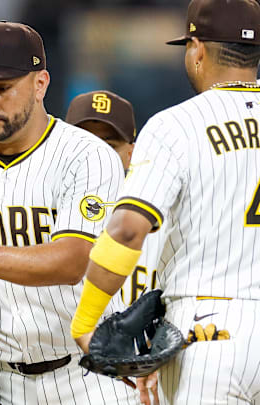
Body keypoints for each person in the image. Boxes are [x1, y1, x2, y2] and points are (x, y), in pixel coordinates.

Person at [0, 22, 138, 404]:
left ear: (40, 84)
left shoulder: (88, 156)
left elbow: (74, 260)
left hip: (83, 377)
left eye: (2, 89)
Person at [71, 0, 260, 403]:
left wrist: (87, 320)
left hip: (212, 332)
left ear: (198, 49)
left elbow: (126, 229)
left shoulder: (176, 124)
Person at [66, 91, 164, 307]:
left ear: (131, 155)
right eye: (83, 142)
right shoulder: (42, 211)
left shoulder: (161, 225)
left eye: (108, 146)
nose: (95, 155)